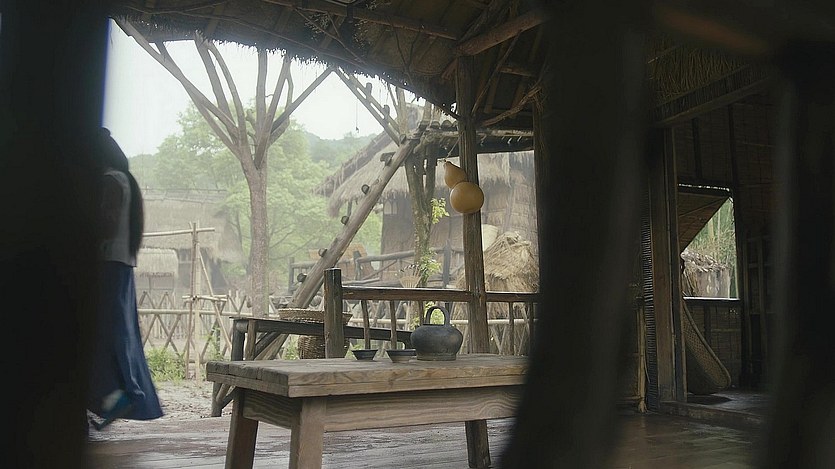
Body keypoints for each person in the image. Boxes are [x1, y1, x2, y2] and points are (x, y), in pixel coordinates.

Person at [87, 128, 163, 430]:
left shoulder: (111, 181)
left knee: (103, 337)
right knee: (117, 336)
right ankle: (120, 397)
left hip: (107, 268)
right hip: (119, 268)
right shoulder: (123, 180)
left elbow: (106, 224)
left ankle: (119, 397)